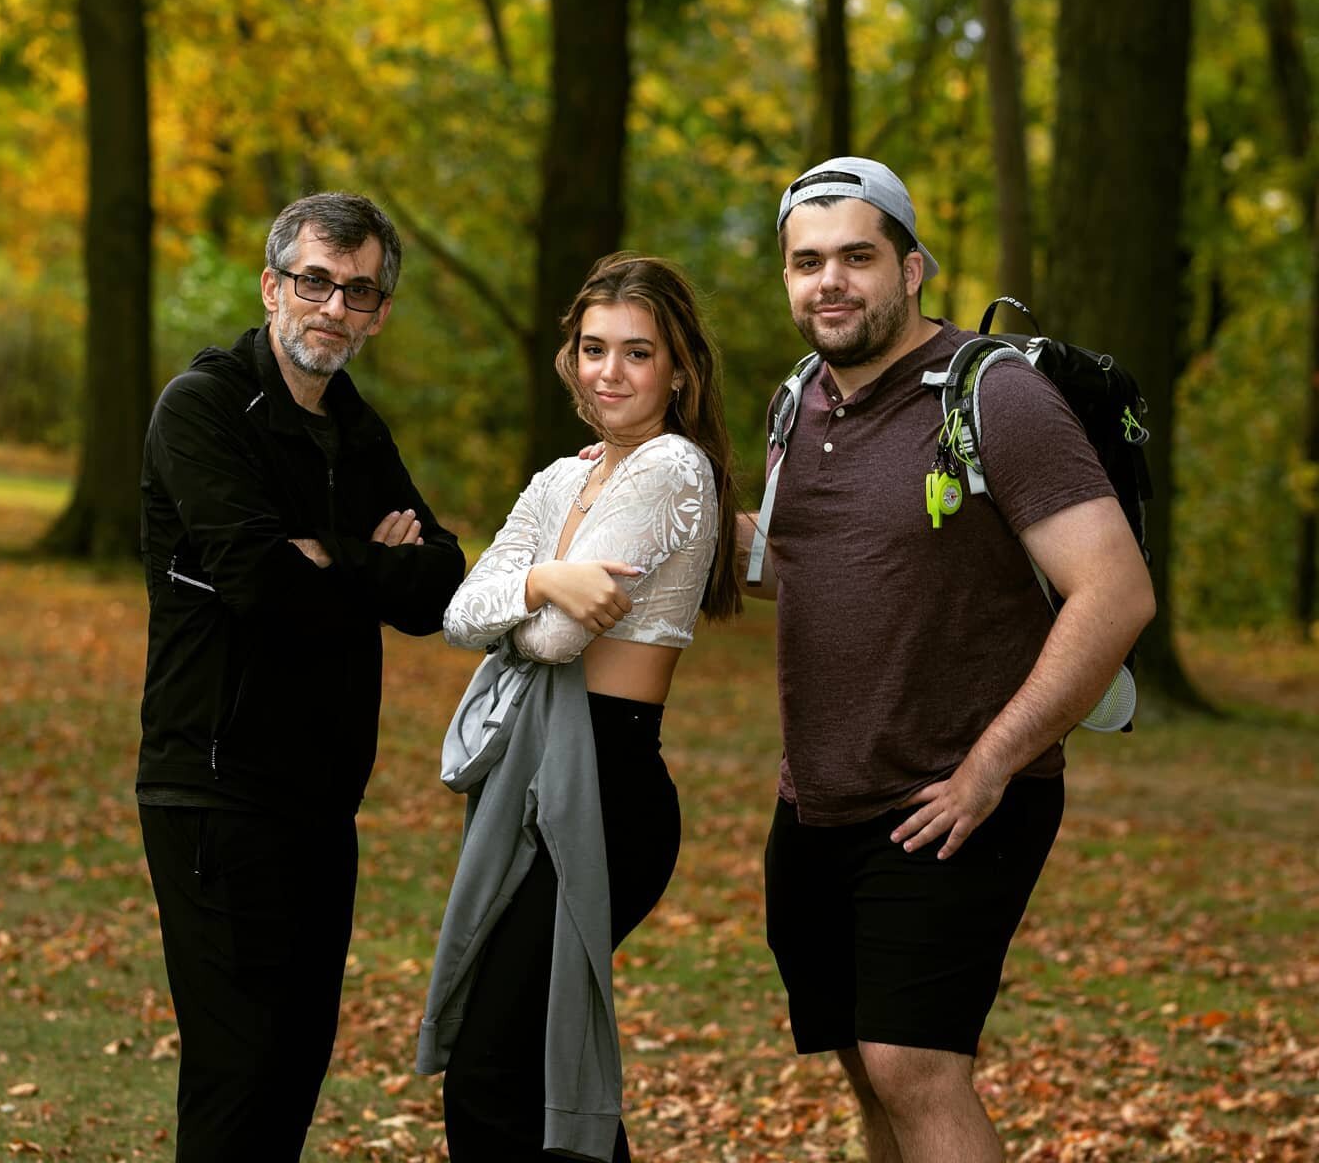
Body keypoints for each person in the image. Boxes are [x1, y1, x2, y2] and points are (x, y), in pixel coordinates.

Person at [741, 157, 1155, 1163]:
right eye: (807, 263)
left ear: (912, 267)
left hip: (956, 794)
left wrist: (991, 765)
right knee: (863, 1069)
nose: (830, 282)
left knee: (912, 1070)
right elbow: (802, 565)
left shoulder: (995, 399)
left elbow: (1116, 591)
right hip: (820, 800)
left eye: (857, 257)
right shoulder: (800, 401)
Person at [136, 191, 465, 1163]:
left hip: (323, 799)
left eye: (358, 291)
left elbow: (438, 581)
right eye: (316, 281)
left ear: (379, 313)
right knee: (238, 1075)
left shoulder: (354, 429)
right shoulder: (203, 409)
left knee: (292, 1068)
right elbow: (258, 583)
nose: (334, 307)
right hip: (216, 786)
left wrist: (331, 557)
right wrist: (361, 557)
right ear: (274, 286)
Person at [417, 253, 742, 1163]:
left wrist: (523, 593)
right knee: (525, 1058)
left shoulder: (674, 468)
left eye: (638, 353)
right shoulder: (568, 475)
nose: (611, 372)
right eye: (594, 348)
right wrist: (546, 578)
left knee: (496, 1069)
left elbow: (553, 641)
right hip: (530, 774)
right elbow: (458, 613)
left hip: (607, 785)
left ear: (679, 368)